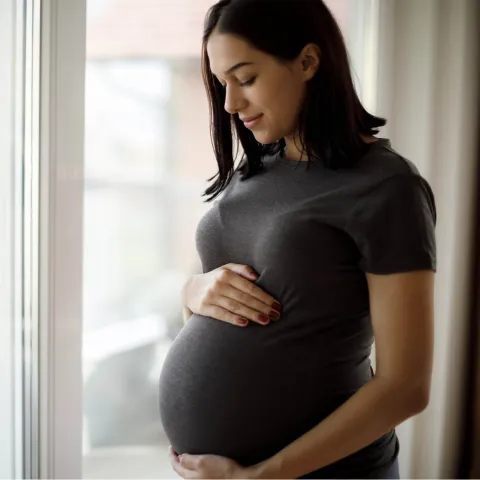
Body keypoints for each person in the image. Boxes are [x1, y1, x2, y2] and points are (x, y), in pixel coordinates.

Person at [158, 0, 436, 478]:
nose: (229, 104)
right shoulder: (252, 173)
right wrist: (193, 291)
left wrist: (262, 475)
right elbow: (219, 300)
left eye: (245, 79)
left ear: (308, 61)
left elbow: (406, 385)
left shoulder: (387, 187)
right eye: (221, 83)